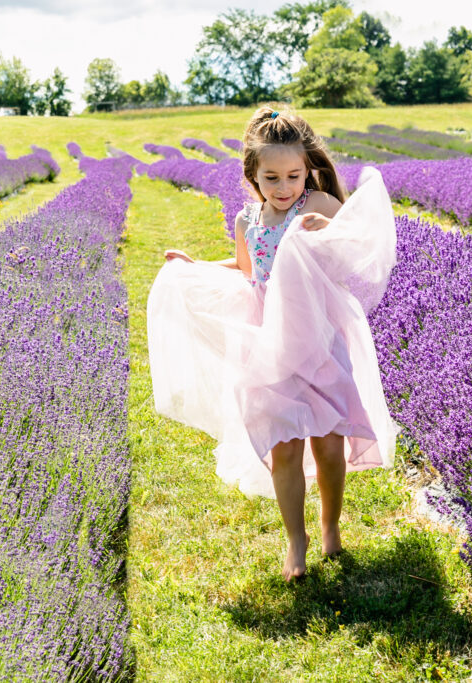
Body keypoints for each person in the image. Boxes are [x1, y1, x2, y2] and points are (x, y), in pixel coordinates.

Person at [147, 106, 397, 582]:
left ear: (308, 170)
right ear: (252, 175)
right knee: (283, 446)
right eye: (272, 178)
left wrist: (332, 231)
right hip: (267, 342)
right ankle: (295, 540)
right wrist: (194, 265)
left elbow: (362, 242)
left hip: (318, 336)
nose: (284, 187)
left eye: (293, 176)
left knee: (327, 443)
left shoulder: (318, 205)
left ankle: (329, 526)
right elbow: (247, 269)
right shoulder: (248, 220)